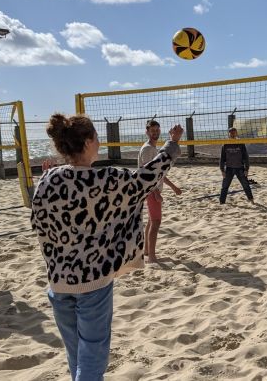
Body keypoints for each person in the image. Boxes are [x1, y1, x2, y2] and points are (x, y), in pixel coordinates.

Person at [32, 113, 182, 380]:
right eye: (97, 138)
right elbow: (149, 176)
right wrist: (172, 144)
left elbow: (39, 223)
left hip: (58, 282)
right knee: (92, 356)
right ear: (89, 142)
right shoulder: (108, 179)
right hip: (92, 283)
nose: (99, 142)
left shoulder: (48, 179)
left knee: (76, 355)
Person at [138, 120, 182, 263]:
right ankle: (152, 257)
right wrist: (156, 192)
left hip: (153, 189)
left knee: (152, 221)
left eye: (157, 130)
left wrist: (173, 186)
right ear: (147, 132)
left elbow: (160, 172)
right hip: (151, 190)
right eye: (152, 131)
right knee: (156, 222)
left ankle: (146, 251)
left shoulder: (153, 148)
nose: (155, 133)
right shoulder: (147, 149)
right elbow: (147, 173)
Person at [219, 127, 254, 204]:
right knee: (224, 187)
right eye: (231, 133)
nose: (232, 134)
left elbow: (246, 157)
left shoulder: (240, 143)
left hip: (240, 168)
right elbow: (222, 159)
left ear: (236, 133)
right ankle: (222, 202)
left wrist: (246, 169)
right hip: (229, 169)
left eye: (234, 133)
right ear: (228, 134)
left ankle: (251, 199)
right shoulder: (225, 144)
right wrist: (222, 170)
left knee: (246, 185)